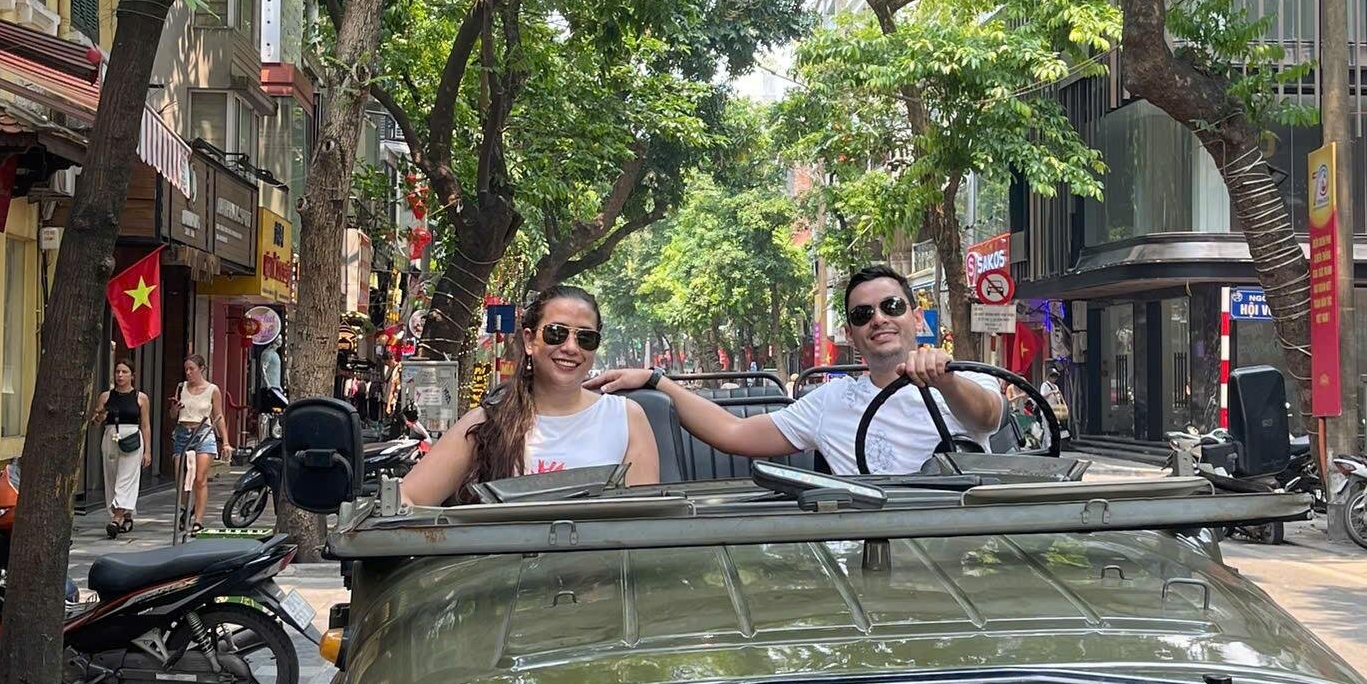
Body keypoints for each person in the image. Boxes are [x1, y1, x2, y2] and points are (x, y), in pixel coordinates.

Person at [591, 264, 1004, 475]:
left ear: (916, 317)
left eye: (891, 307)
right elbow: (733, 433)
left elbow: (987, 417)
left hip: (961, 542)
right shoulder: (832, 400)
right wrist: (656, 380)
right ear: (851, 333)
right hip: (871, 553)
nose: (878, 319)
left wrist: (945, 380)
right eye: (863, 314)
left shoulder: (967, 378)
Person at [401, 286, 661, 505]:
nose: (571, 348)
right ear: (529, 340)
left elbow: (643, 522)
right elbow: (407, 498)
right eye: (556, 333)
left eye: (586, 338)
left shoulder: (626, 417)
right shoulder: (488, 422)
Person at [91, 361, 151, 538]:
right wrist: (100, 415)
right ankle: (126, 516)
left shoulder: (141, 398)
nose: (120, 375)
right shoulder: (106, 396)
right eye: (117, 371)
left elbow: (145, 425)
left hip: (132, 438)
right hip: (111, 437)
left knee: (126, 479)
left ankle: (116, 519)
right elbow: (95, 423)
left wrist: (148, 451)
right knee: (112, 477)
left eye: (124, 372)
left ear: (132, 375)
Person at [171, 353, 228, 534]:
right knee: (180, 478)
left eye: (192, 369)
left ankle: (198, 520)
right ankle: (185, 509)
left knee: (200, 479)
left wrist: (226, 441)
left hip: (203, 433)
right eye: (186, 369)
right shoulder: (181, 387)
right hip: (183, 432)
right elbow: (173, 415)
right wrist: (174, 409)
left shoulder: (212, 390)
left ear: (201, 369)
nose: (188, 373)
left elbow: (218, 416)